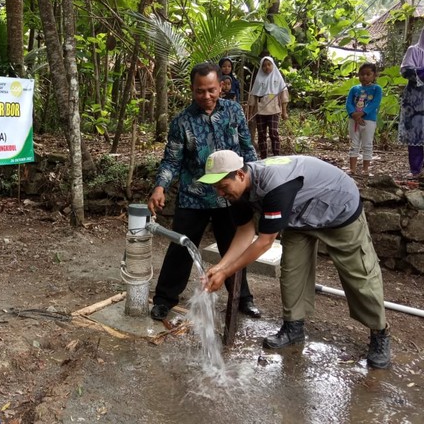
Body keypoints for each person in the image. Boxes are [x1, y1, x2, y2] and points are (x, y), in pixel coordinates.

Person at [198, 150, 390, 369]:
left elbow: (264, 241)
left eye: (223, 187)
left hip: (338, 207)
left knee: (359, 274)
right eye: (216, 188)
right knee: (292, 271)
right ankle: (294, 328)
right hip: (299, 214)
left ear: (240, 175)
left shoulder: (276, 186)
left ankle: (380, 332)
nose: (220, 193)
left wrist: (226, 273)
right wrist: (221, 266)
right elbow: (244, 231)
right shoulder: (237, 193)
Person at [148, 62, 260, 321]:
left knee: (234, 248)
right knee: (180, 248)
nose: (206, 96)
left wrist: (253, 185)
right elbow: (172, 160)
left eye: (211, 89)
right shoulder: (182, 122)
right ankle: (164, 299)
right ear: (192, 89)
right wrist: (160, 186)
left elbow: (248, 149)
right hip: (193, 196)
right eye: (200, 91)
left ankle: (243, 299)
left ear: (221, 86)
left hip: (231, 196)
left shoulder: (234, 112)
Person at [248, 56, 289, 158]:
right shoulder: (258, 79)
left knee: (273, 133)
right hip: (260, 111)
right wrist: (250, 114)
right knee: (261, 135)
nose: (267, 67)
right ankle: (263, 157)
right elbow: (253, 97)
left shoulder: (278, 78)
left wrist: (284, 112)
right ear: (261, 67)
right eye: (264, 65)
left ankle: (276, 156)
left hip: (274, 109)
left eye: (269, 64)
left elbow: (283, 96)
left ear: (273, 65)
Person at [346, 62, 382, 175]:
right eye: (362, 74)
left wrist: (362, 113)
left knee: (367, 144)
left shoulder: (377, 89)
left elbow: (375, 103)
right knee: (353, 143)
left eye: (368, 74)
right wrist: (353, 114)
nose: (364, 77)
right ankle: (352, 168)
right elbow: (348, 103)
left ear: (374, 75)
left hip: (368, 120)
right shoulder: (354, 89)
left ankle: (365, 169)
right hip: (354, 120)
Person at [398, 28, 424, 179]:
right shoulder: (414, 50)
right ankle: (415, 169)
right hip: (415, 100)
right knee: (415, 135)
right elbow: (406, 70)